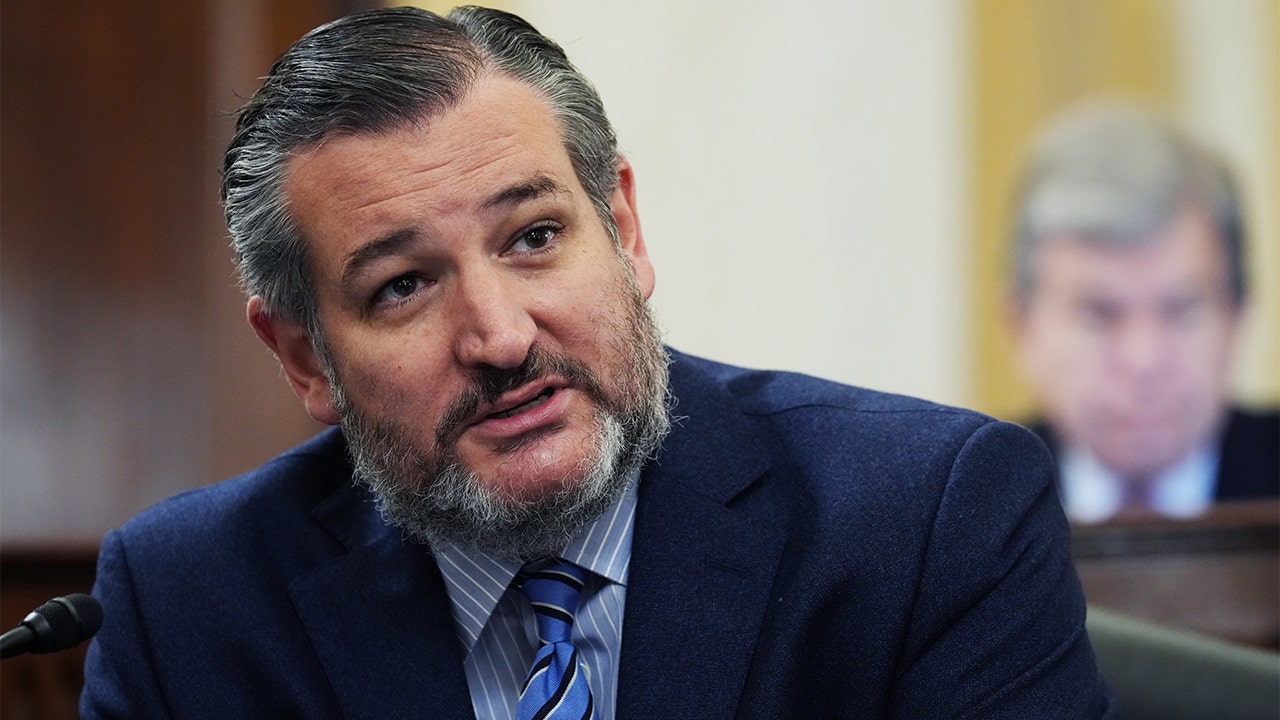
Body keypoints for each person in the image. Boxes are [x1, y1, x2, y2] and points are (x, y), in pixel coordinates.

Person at [81, 7, 1113, 718]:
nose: (500, 337)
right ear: (306, 357)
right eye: (402, 286)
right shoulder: (191, 605)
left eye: (533, 237)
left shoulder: (924, 521)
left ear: (621, 226)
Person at [1008, 103, 1280, 524]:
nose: (1144, 360)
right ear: (1021, 327)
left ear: (1237, 317)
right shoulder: (963, 516)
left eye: (1181, 311)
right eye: (1099, 314)